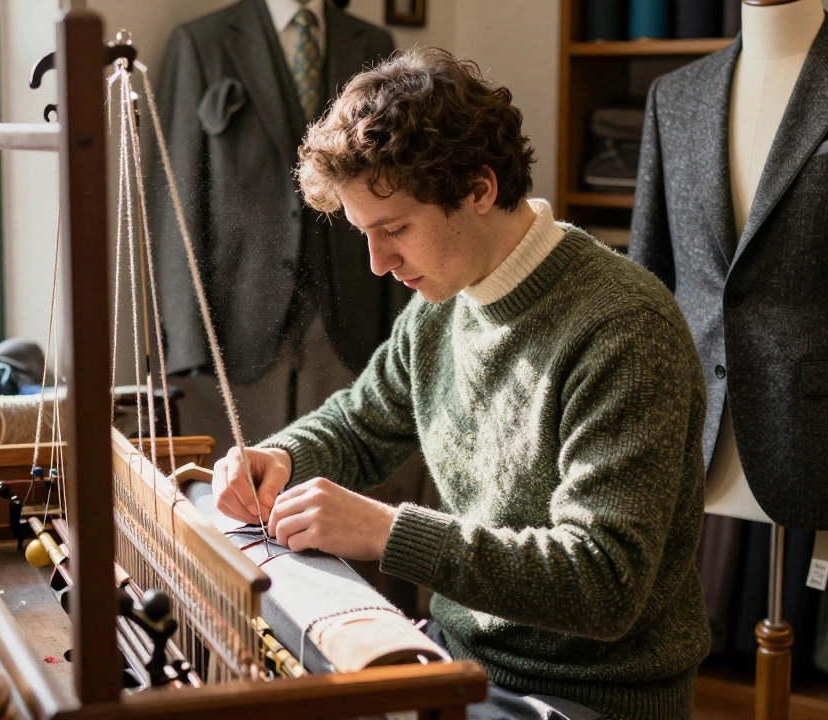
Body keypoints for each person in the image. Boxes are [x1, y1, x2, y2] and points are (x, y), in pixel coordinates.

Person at [212, 46, 710, 720]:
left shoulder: (623, 328)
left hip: (588, 698)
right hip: (461, 665)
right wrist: (280, 457)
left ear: (478, 189)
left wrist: (388, 533)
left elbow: (604, 581)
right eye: (364, 234)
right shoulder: (444, 306)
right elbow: (362, 423)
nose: (379, 263)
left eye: (393, 231)